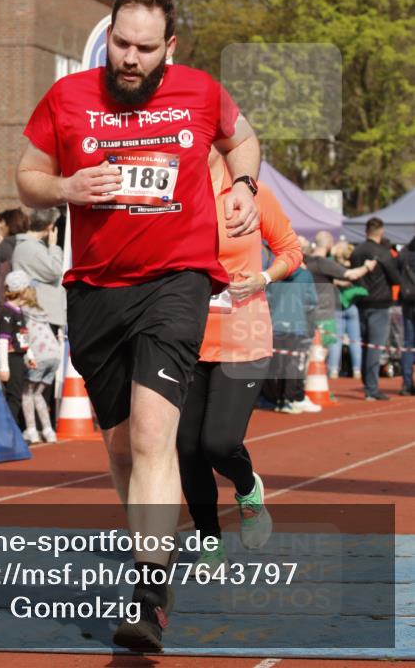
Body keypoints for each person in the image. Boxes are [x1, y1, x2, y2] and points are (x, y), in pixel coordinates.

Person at [16, 0, 260, 651]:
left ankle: (148, 592)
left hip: (176, 281)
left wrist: (242, 187)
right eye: (120, 43)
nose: (129, 58)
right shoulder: (67, 98)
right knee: (123, 450)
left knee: (155, 438)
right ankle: (152, 554)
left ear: (167, 49)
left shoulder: (200, 92)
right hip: (95, 290)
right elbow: (27, 177)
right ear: (109, 38)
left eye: (144, 48)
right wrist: (64, 187)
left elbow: (243, 142)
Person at [176, 148, 302, 569]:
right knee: (187, 448)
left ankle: (248, 490)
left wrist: (263, 278)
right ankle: (209, 539)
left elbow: (290, 250)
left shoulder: (250, 194)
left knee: (219, 443)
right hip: (185, 338)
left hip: (243, 336)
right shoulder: (174, 192)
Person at [305, 231, 376, 388]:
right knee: (321, 352)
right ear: (329, 244)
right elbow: (351, 275)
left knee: (313, 351)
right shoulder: (323, 262)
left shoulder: (306, 261)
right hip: (324, 313)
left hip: (309, 312)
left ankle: (321, 380)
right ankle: (313, 388)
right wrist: (366, 267)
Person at [350, 218, 402, 400]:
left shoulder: (357, 250)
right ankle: (371, 388)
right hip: (379, 303)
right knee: (374, 346)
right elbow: (395, 278)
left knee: (366, 344)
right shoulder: (383, 252)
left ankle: (368, 385)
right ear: (381, 231)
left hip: (361, 301)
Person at [263, 264, 318, 413]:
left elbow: (268, 297)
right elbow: (311, 301)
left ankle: (276, 399)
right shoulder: (305, 275)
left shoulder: (274, 272)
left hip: (275, 323)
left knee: (275, 364)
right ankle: (289, 400)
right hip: (296, 324)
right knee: (292, 364)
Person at [12, 207, 66, 333]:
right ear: (50, 227)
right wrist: (53, 247)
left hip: (38, 311)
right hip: (42, 312)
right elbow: (55, 270)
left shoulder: (26, 245)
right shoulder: (32, 248)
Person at [20, 290, 64, 444]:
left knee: (27, 392)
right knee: (38, 394)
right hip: (54, 355)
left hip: (40, 354)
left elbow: (25, 335)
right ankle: (48, 430)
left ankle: (31, 430)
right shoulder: (41, 313)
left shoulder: (23, 312)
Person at [0, 270, 37, 422]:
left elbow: (22, 336)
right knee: (13, 397)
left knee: (16, 396)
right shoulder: (7, 311)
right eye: (27, 287)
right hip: (11, 358)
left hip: (19, 358)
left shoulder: (19, 311)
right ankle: (10, 432)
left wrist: (30, 355)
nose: (30, 291)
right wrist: (4, 367)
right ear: (21, 290)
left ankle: (12, 430)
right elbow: (3, 340)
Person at [328, 240, 364, 379]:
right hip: (352, 306)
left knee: (336, 340)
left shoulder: (332, 265)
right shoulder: (354, 266)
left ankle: (334, 370)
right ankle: (357, 370)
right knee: (355, 340)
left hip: (337, 306)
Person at [0, 208, 30, 298]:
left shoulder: (6, 244)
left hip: (9, 297)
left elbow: (3, 275)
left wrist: (0, 246)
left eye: (1, 222)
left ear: (8, 225)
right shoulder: (27, 242)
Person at [398, 233, 415, 395]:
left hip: (408, 300)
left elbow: (397, 274)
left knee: (409, 343)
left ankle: (407, 383)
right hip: (408, 300)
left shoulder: (405, 251)